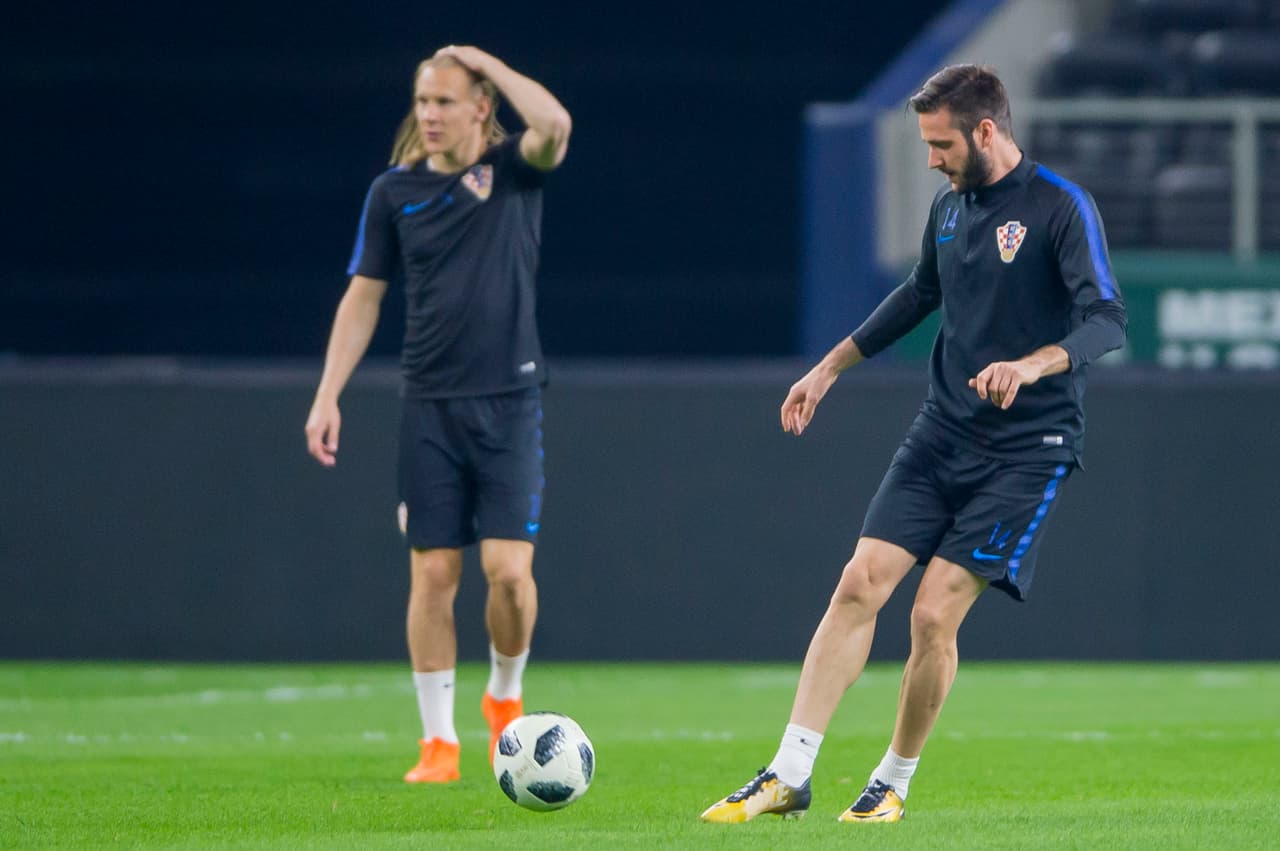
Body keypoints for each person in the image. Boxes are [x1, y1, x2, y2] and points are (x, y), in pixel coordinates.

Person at [700, 64, 1127, 823]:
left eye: (940, 143)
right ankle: (788, 772)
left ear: (986, 131)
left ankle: (893, 778)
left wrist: (1032, 365)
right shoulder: (950, 208)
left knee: (931, 617)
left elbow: (1106, 320)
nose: (931, 157)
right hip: (942, 432)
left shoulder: (1061, 207)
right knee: (859, 582)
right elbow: (920, 295)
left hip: (1029, 449)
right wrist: (830, 366)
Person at [304, 45, 571, 784]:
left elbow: (555, 120)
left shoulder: (515, 170)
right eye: (423, 101)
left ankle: (504, 699)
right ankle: (438, 744)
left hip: (511, 400)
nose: (429, 114)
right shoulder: (393, 193)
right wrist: (328, 394)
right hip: (429, 404)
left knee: (509, 572)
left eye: (446, 100)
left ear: (481, 107)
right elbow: (363, 297)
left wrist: (484, 60)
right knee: (433, 573)